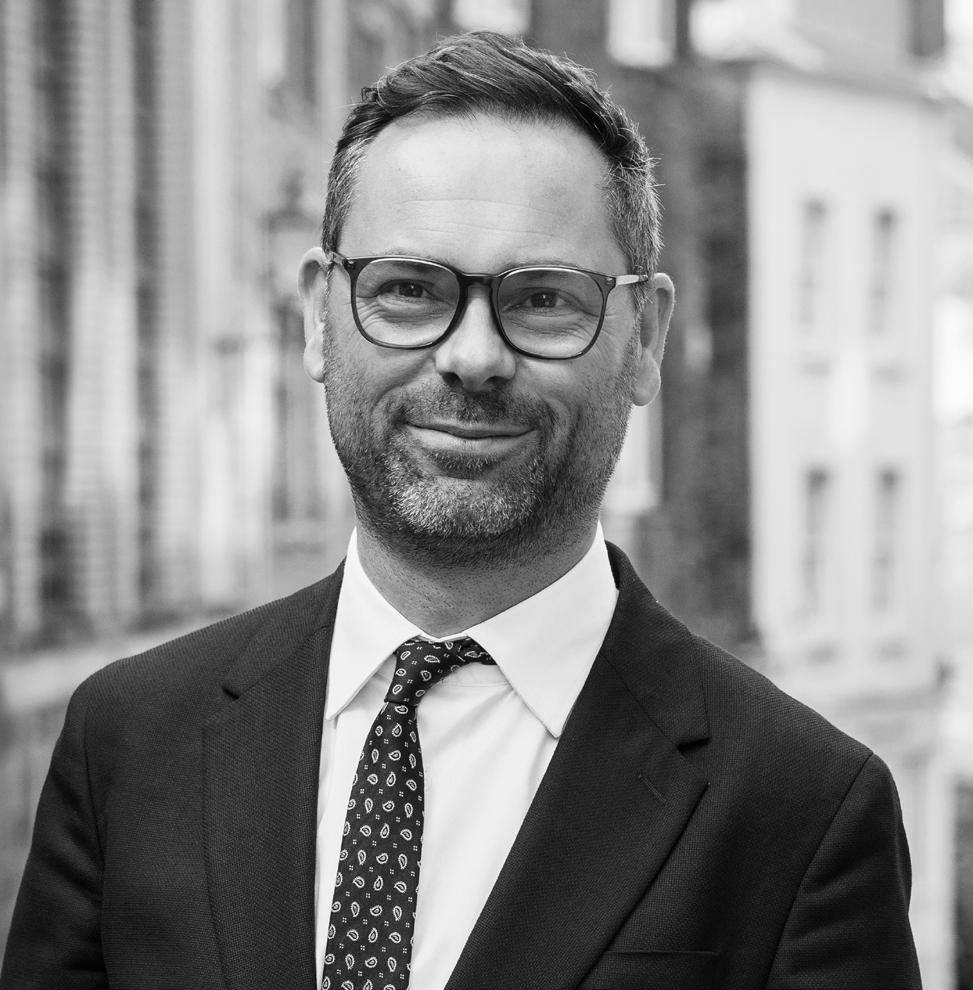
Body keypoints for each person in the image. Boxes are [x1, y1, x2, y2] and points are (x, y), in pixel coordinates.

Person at [1, 31, 920, 990]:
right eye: (408, 289)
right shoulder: (127, 741)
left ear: (644, 338)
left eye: (544, 299)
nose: (472, 357)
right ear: (318, 315)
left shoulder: (802, 810)